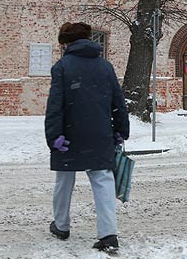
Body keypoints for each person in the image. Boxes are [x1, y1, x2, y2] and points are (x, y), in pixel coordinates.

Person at [45, 22, 130, 252]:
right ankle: (108, 235)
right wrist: (121, 129)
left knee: (64, 180)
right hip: (100, 133)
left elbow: (55, 106)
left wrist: (54, 137)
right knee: (103, 181)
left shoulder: (62, 67)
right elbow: (118, 102)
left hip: (69, 134)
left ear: (66, 44)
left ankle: (61, 226)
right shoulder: (105, 66)